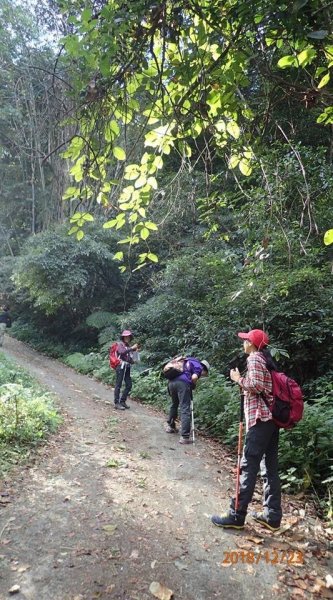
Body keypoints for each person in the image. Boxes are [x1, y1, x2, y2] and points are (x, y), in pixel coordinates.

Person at [211, 329, 282, 531]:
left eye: (245, 340)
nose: (243, 343)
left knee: (248, 466)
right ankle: (272, 516)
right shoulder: (266, 360)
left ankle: (236, 514)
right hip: (270, 421)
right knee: (269, 467)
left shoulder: (254, 358)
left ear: (252, 343)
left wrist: (237, 379)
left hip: (260, 420)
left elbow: (256, 385)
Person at [165, 357, 210, 444]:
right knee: (185, 407)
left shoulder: (187, 361)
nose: (203, 375)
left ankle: (170, 427)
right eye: (205, 373)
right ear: (205, 368)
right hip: (182, 384)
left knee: (174, 404)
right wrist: (192, 384)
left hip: (171, 383)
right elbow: (194, 377)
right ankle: (185, 436)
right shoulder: (198, 366)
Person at [113, 330, 140, 410]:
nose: (127, 338)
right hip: (120, 366)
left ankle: (122, 401)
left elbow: (132, 360)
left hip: (127, 367)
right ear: (123, 337)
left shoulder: (128, 346)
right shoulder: (120, 345)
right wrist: (131, 348)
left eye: (128, 336)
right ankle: (117, 403)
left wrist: (135, 352)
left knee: (129, 384)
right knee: (118, 384)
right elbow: (121, 352)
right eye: (125, 336)